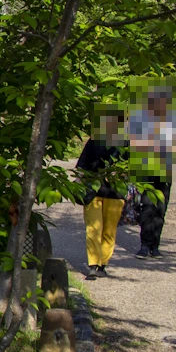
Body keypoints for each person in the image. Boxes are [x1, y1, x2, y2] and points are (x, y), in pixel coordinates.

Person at [126, 87, 176, 258]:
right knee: (146, 208)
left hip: (165, 173)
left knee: (160, 210)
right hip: (145, 172)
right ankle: (145, 245)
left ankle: (155, 245)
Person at [76, 114, 128, 279]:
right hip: (93, 191)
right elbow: (82, 165)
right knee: (93, 228)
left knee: (109, 230)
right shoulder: (94, 141)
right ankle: (93, 264)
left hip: (116, 193)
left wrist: (123, 174)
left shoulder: (127, 144)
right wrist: (77, 184)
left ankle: (103, 264)